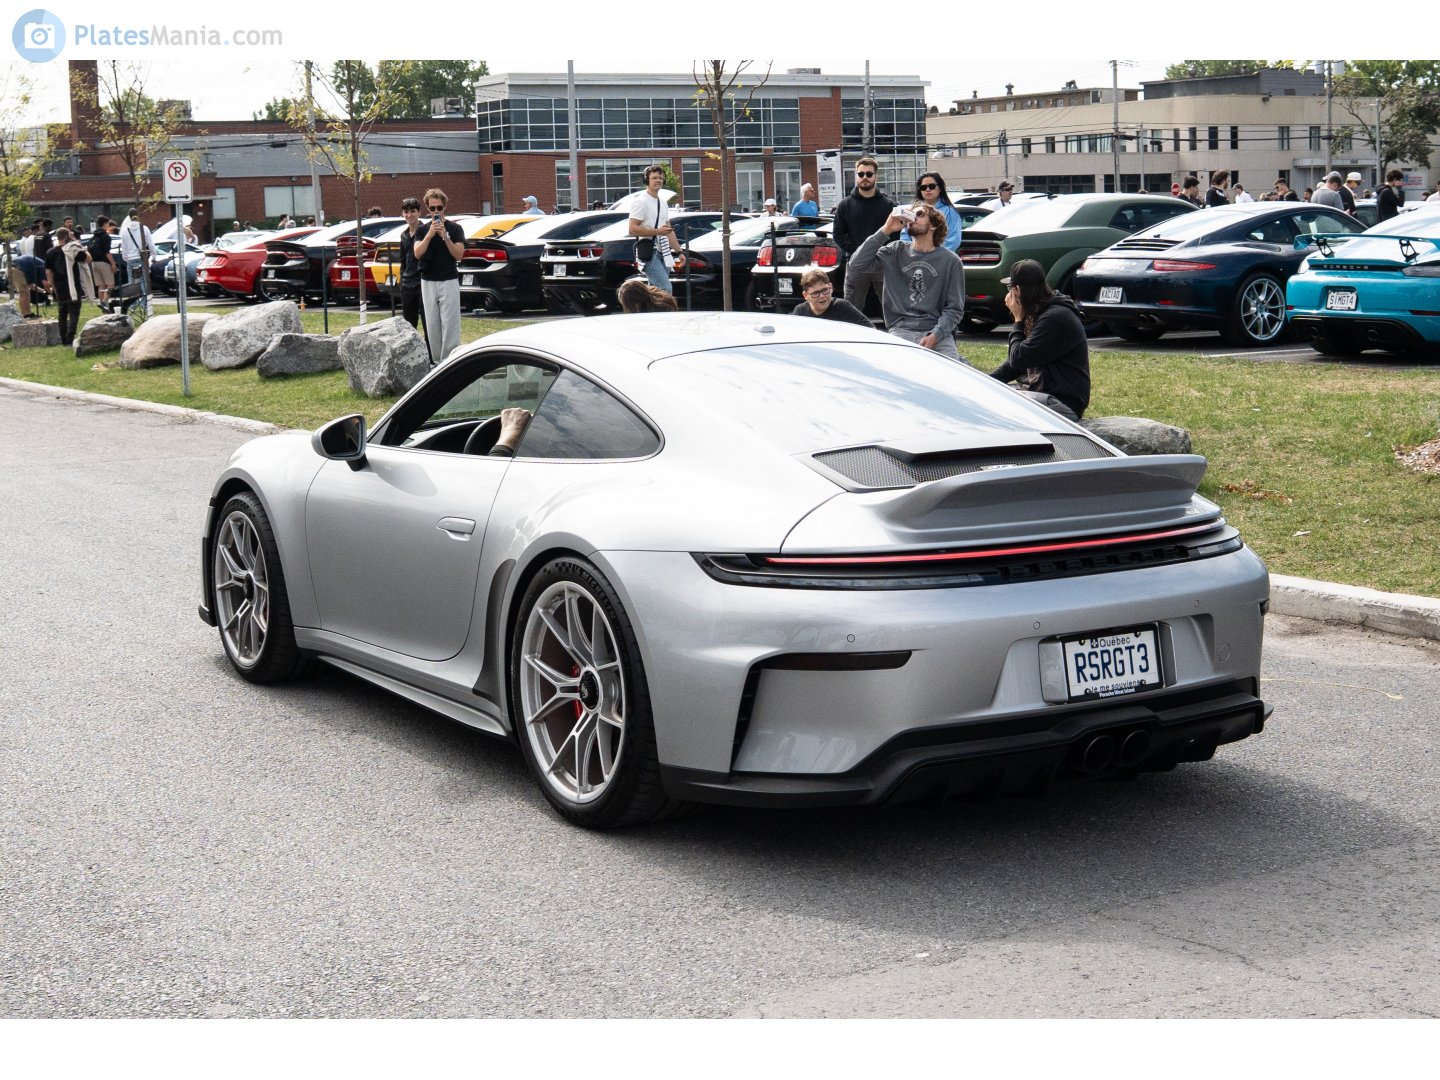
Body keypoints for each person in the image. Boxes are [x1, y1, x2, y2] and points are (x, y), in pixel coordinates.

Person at [848, 201, 966, 361]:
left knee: (951, 372)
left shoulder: (950, 261)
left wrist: (936, 335)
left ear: (933, 225)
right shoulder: (895, 251)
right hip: (901, 328)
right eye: (911, 214)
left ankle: (961, 361)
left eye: (919, 214)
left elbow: (954, 309)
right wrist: (886, 229)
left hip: (936, 331)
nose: (912, 218)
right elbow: (856, 264)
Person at [987, 259, 1090, 422]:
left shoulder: (1054, 318)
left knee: (998, 404)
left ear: (1017, 290)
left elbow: (1019, 358)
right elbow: (1016, 365)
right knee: (987, 396)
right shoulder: (1042, 312)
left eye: (1010, 289)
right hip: (1042, 394)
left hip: (1061, 402)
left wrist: (1018, 320)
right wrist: (986, 381)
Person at [833, 156, 894, 321]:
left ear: (876, 176)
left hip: (882, 263)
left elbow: (896, 234)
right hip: (855, 264)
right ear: (856, 176)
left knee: (892, 310)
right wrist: (859, 251)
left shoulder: (888, 205)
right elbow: (838, 234)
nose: (865, 177)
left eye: (869, 174)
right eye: (861, 174)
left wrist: (880, 252)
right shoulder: (844, 205)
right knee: (850, 313)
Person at [412, 187, 465, 364]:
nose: (436, 211)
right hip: (428, 280)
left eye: (439, 208)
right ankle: (436, 362)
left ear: (445, 207)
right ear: (427, 208)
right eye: (432, 208)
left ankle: (449, 360)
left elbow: (459, 254)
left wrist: (445, 237)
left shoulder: (455, 228)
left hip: (448, 279)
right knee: (432, 323)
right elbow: (417, 253)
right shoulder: (422, 230)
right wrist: (429, 235)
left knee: (450, 323)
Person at [628, 164, 678, 294]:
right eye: (654, 178)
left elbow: (668, 230)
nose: (658, 180)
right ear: (646, 180)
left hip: (664, 251)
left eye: (661, 178)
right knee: (665, 290)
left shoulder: (663, 202)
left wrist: (679, 252)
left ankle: (647, 307)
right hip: (649, 251)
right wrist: (657, 232)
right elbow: (632, 229)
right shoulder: (641, 201)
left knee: (656, 293)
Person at [43, 227, 91, 346]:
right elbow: (89, 259)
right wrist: (79, 245)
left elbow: (48, 271)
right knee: (74, 311)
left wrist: (53, 285)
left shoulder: (50, 252)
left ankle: (63, 338)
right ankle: (70, 336)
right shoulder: (72, 250)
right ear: (68, 237)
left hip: (59, 285)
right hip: (73, 284)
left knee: (62, 312)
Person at [904, 172, 962, 252]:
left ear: (940, 188)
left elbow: (953, 240)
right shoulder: (913, 211)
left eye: (932, 186)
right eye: (923, 187)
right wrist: (912, 253)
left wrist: (933, 255)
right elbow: (905, 236)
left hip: (941, 258)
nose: (927, 189)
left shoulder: (950, 212)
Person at [790, 268, 870, 325]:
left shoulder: (842, 307)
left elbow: (870, 329)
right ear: (806, 295)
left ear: (830, 287)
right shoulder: (800, 312)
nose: (822, 296)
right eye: (815, 293)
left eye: (825, 290)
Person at [395, 196, 427, 340]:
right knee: (409, 324)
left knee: (427, 322)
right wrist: (402, 279)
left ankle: (430, 351)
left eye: (413, 211)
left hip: (423, 281)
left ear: (419, 212)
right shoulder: (404, 235)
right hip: (407, 283)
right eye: (406, 212)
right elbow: (403, 260)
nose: (409, 215)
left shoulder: (426, 231)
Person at [118, 210, 153, 317]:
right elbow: (150, 243)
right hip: (141, 258)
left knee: (132, 283)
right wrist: (154, 255)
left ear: (129, 217)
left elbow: (124, 247)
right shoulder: (144, 228)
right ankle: (145, 305)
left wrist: (126, 258)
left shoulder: (125, 231)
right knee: (144, 283)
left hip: (130, 259)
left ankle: (132, 305)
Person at [88, 215, 115, 307]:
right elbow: (107, 252)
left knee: (101, 285)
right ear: (105, 224)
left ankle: (101, 303)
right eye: (108, 224)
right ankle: (104, 301)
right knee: (110, 284)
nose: (108, 226)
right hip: (104, 262)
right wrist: (113, 263)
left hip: (94, 262)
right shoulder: (105, 236)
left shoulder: (93, 236)